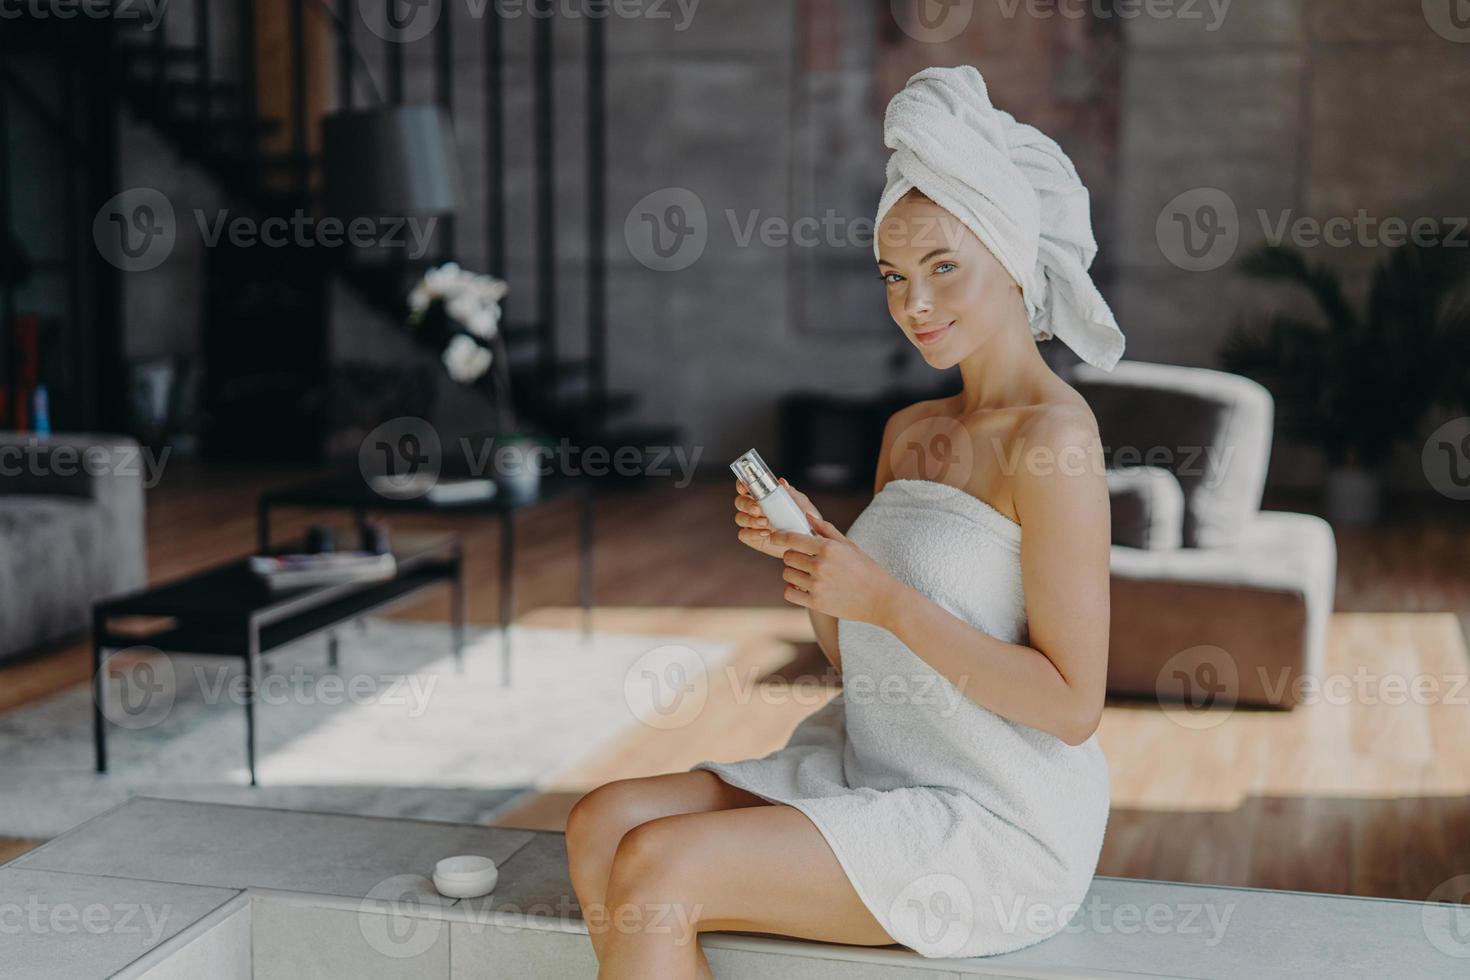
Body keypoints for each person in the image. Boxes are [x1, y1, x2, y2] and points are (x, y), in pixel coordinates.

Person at [565, 64, 1125, 978]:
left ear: (1013, 257)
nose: (915, 303)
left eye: (945, 267)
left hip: (994, 818)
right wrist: (814, 559)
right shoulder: (909, 432)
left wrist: (887, 599)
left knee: (659, 867)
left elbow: (1072, 705)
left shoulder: (1055, 440)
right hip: (876, 765)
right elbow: (855, 651)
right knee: (601, 822)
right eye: (895, 274)